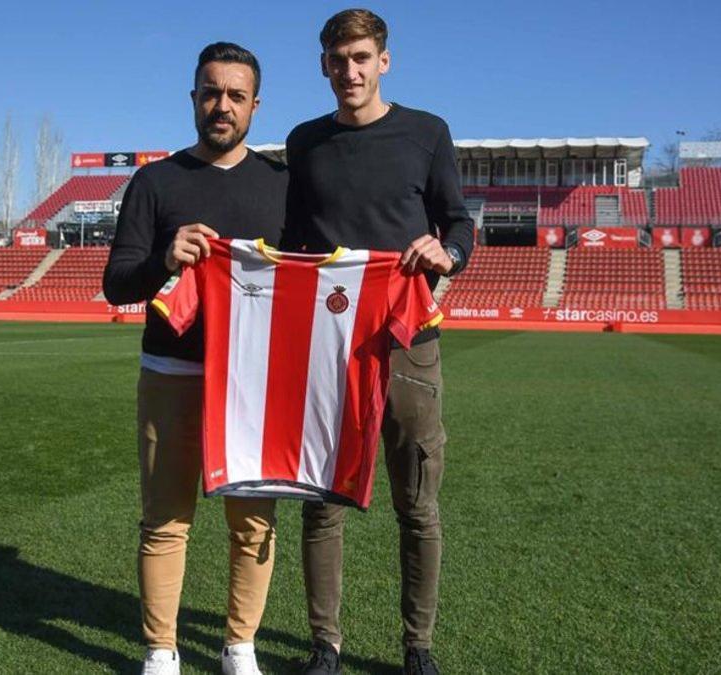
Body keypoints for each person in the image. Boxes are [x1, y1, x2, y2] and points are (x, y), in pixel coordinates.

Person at [280, 9, 474, 675]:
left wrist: (445, 249)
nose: (350, 71)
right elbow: (292, 242)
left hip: (406, 342)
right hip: (326, 345)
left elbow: (459, 224)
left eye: (362, 57)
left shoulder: (427, 133)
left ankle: (417, 647)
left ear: (384, 61)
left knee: (417, 503)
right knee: (321, 501)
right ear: (323, 65)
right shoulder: (304, 142)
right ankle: (324, 646)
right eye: (338, 59)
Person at [102, 41, 288, 675]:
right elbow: (117, 283)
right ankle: (161, 649)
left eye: (236, 95)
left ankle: (240, 645)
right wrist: (163, 258)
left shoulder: (282, 186)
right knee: (166, 519)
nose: (222, 105)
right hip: (171, 373)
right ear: (192, 98)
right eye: (211, 92)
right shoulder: (154, 182)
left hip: (254, 383)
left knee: (253, 523)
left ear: (255, 106)